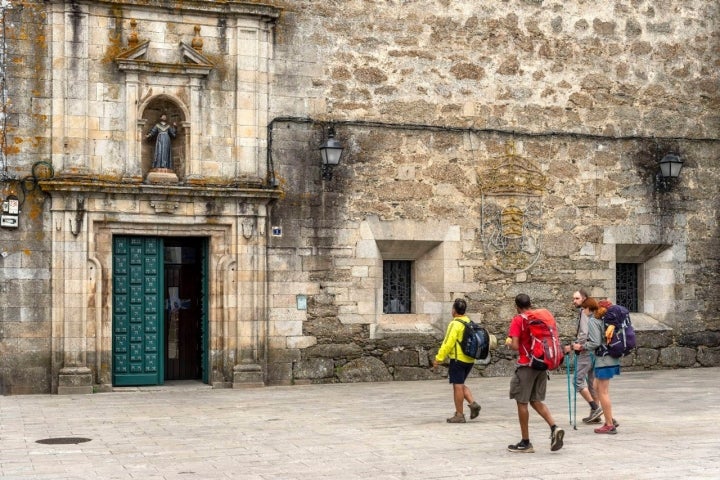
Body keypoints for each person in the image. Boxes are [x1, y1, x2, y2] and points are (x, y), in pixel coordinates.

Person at [506, 293, 564, 452]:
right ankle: (554, 427)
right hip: (542, 363)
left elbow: (516, 346)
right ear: (530, 304)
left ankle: (525, 442)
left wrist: (509, 342)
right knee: (536, 400)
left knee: (522, 402)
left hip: (527, 366)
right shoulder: (540, 317)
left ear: (516, 306)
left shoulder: (518, 319)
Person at [432, 298, 482, 423]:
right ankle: (473, 404)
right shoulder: (469, 321)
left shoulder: (455, 324)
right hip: (469, 359)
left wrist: (438, 358)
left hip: (458, 359)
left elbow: (448, 343)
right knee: (460, 383)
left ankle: (459, 415)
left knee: (457, 386)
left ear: (454, 310)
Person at [582, 297, 621, 434]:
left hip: (604, 359)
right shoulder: (606, 321)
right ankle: (609, 418)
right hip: (610, 358)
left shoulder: (594, 320)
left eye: (583, 308)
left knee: (602, 392)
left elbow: (595, 342)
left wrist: (581, 346)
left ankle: (609, 424)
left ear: (588, 308)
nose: (583, 310)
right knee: (596, 387)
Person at [564, 289, 602, 424]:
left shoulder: (584, 313)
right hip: (594, 352)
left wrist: (574, 346)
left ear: (584, 299)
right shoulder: (593, 314)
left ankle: (595, 408)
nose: (574, 301)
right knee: (592, 384)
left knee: (577, 381)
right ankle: (596, 415)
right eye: (574, 298)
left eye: (577, 298)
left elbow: (584, 335)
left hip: (586, 352)